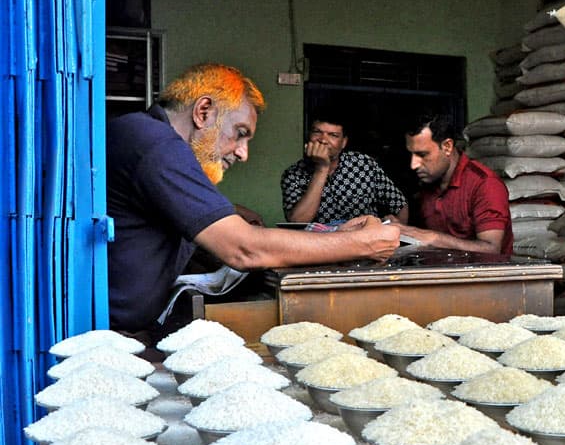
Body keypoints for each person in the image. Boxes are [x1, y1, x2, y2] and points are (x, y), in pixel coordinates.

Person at [106, 63, 400, 336]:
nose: (242, 153)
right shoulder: (158, 145)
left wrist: (334, 235)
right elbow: (243, 249)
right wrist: (363, 243)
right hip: (114, 334)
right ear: (203, 111)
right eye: (240, 134)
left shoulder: (145, 135)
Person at [399, 114, 513, 255]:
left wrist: (434, 239)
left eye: (422, 155)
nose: (413, 165)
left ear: (447, 146)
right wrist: (399, 228)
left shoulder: (484, 184)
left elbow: (491, 249)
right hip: (440, 274)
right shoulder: (426, 184)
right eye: (411, 155)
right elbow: (418, 235)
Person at [280, 111, 408, 224]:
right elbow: (297, 221)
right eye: (317, 132)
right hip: (317, 248)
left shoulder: (364, 165)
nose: (323, 140)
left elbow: (399, 205)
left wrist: (400, 231)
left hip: (363, 245)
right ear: (309, 136)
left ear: (344, 142)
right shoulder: (293, 174)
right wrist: (322, 169)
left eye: (333, 135)